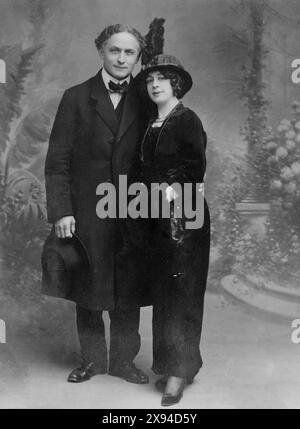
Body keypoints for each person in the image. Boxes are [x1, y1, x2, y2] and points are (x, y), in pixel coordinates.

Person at [44, 24, 150, 385]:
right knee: (88, 286)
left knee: (129, 288)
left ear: (138, 57)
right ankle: (92, 360)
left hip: (134, 211)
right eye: (114, 51)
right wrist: (61, 211)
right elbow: (57, 160)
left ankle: (123, 361)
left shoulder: (148, 98)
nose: (121, 59)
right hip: (87, 212)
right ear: (101, 52)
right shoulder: (76, 97)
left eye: (129, 52)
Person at [136, 54, 210, 406]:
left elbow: (194, 168)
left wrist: (170, 189)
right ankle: (167, 364)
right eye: (151, 79)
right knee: (165, 294)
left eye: (163, 79)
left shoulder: (187, 119)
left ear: (176, 84)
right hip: (156, 215)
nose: (155, 84)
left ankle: (180, 371)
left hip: (185, 217)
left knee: (183, 294)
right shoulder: (153, 121)